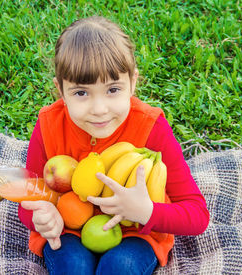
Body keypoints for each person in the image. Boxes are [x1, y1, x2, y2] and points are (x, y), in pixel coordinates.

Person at [19, 16, 210, 274]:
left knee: (120, 267)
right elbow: (27, 201)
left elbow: (197, 215)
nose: (100, 109)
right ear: (61, 91)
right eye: (81, 93)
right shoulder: (49, 126)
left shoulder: (151, 128)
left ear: (132, 82)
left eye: (112, 90)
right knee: (73, 266)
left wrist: (146, 211)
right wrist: (42, 218)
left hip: (137, 233)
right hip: (68, 228)